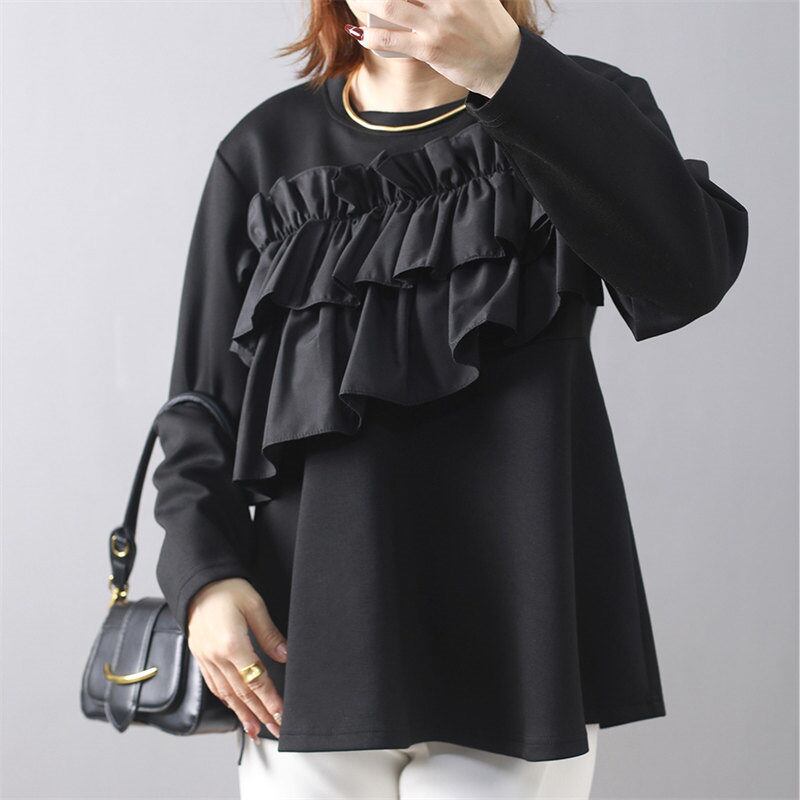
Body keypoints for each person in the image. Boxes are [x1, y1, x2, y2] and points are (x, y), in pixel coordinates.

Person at [150, 1, 749, 797]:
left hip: (521, 638)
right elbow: (200, 405)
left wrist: (510, 71)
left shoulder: (580, 106)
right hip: (307, 644)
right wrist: (204, 578)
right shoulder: (264, 152)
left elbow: (686, 275)